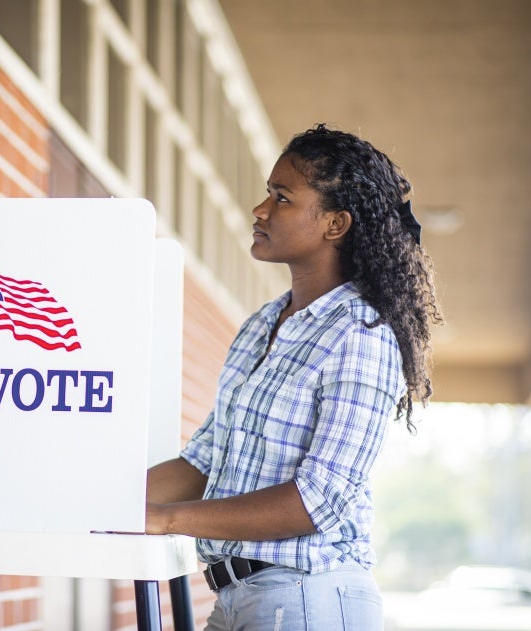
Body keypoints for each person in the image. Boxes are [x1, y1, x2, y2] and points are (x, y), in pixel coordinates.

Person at [145, 124, 442, 630]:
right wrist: (104, 500)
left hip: (310, 599)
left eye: (282, 198)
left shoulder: (361, 334)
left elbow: (318, 500)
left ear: (335, 224)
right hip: (236, 597)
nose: (260, 210)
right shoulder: (261, 325)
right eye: (268, 193)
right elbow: (205, 459)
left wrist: (165, 519)